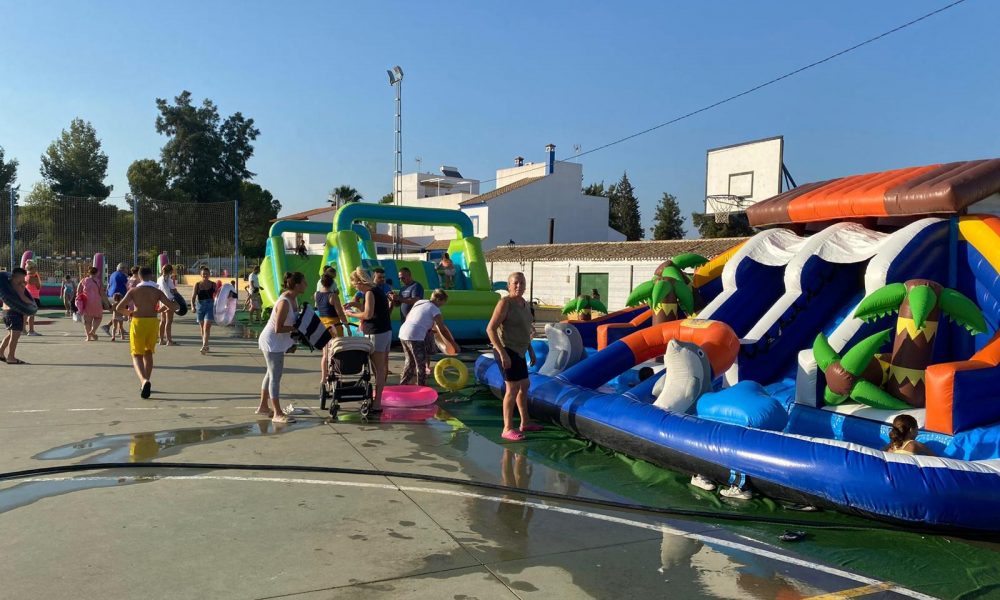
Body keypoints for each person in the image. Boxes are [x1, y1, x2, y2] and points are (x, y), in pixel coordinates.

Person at [487, 271, 539, 441]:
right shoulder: (505, 303)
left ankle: (525, 422)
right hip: (506, 349)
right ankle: (507, 428)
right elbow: (491, 329)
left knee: (525, 385)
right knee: (512, 388)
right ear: (508, 285)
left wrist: (530, 350)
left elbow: (524, 331)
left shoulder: (524, 304)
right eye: (515, 283)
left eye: (522, 283)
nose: (519, 286)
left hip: (520, 351)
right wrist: (502, 353)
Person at [114, 266, 180, 398]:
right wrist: (176, 305)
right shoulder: (157, 292)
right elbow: (172, 307)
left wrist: (131, 313)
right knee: (148, 353)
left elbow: (119, 307)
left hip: (138, 322)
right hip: (152, 322)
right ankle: (146, 381)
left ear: (139, 276)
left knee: (137, 355)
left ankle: (144, 381)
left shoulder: (134, 291)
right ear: (151, 276)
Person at [257, 271, 307, 423]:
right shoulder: (285, 302)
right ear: (297, 285)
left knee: (270, 373)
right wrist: (296, 329)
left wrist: (293, 341)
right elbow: (279, 328)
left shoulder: (293, 298)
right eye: (304, 282)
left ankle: (263, 407)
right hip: (272, 342)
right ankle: (277, 413)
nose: (306, 285)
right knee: (275, 377)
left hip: (276, 342)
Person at [346, 267, 391, 413]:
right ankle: (377, 398)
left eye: (355, 285)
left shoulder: (369, 293)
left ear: (360, 282)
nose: (355, 288)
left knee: (378, 369)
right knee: (381, 367)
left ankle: (377, 402)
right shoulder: (377, 290)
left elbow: (368, 314)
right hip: (385, 331)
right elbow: (371, 310)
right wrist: (354, 305)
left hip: (375, 333)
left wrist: (351, 314)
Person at [399, 289, 460, 386]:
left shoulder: (420, 302)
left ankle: (403, 385)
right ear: (439, 299)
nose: (442, 305)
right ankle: (421, 388)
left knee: (410, 362)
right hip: (415, 335)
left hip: (403, 332)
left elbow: (411, 317)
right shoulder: (435, 309)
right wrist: (454, 344)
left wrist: (426, 329)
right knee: (421, 364)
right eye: (443, 302)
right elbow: (442, 329)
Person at [316, 272, 349, 397]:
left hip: (323, 325)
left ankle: (324, 378)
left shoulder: (316, 295)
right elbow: (340, 313)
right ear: (332, 284)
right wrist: (346, 325)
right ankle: (335, 376)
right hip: (334, 326)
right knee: (336, 352)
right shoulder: (333, 296)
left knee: (325, 354)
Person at [0, 267, 34, 364]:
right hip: (14, 312)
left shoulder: (8, 283)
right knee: (15, 336)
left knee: (10, 334)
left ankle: (0, 352)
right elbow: (22, 297)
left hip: (6, 312)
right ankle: (11, 358)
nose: (24, 280)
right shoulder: (17, 286)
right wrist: (31, 303)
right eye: (23, 278)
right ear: (17, 277)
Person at [192, 267, 217, 354]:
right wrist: (192, 306)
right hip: (200, 306)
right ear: (201, 275)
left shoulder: (214, 284)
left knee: (206, 326)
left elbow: (218, 296)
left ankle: (204, 346)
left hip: (210, 306)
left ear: (209, 274)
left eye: (207, 274)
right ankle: (206, 345)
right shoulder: (197, 284)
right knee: (202, 328)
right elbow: (193, 297)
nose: (205, 275)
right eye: (203, 274)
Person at [79, 266, 105, 341]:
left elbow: (78, 291)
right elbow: (102, 293)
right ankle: (93, 331)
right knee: (98, 318)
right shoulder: (99, 281)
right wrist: (106, 303)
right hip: (97, 302)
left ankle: (88, 337)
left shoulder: (83, 280)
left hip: (87, 302)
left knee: (87, 321)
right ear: (96, 273)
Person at [157, 264, 179, 346]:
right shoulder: (168, 279)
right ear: (170, 271)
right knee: (169, 321)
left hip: (161, 300)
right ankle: (169, 340)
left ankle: (161, 340)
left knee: (163, 321)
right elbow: (173, 290)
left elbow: (158, 289)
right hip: (169, 300)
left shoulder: (159, 279)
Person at [23, 261, 42, 336]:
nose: (36, 269)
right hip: (33, 296)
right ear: (33, 268)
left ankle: (23, 330)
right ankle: (31, 331)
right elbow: (38, 286)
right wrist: (38, 280)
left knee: (25, 314)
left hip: (27, 295)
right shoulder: (32, 277)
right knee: (31, 314)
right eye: (35, 268)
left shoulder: (26, 275)